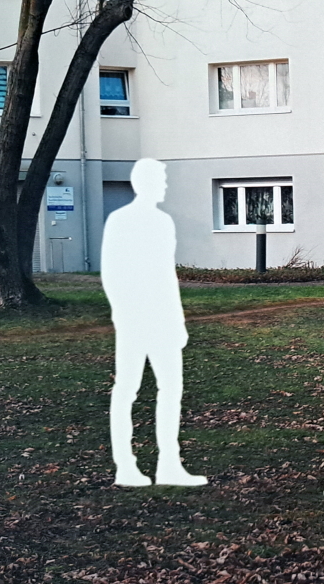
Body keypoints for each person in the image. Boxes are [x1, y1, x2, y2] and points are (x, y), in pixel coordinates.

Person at [101, 159, 206, 487]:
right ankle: (125, 466)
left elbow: (166, 274)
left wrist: (178, 321)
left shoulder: (163, 222)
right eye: (160, 180)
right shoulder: (120, 221)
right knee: (127, 389)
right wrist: (123, 314)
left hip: (163, 321)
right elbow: (111, 273)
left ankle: (169, 464)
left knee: (171, 390)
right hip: (134, 319)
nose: (164, 186)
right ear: (144, 183)